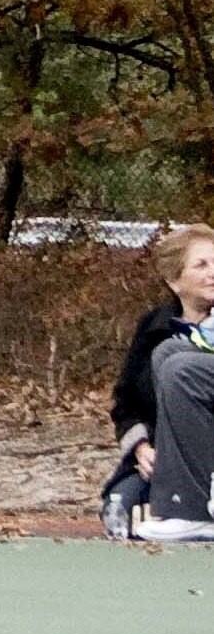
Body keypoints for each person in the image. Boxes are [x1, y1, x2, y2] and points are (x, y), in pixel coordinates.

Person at [120, 226, 214, 541]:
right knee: (122, 508)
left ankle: (191, 509)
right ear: (174, 281)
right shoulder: (155, 327)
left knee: (181, 367)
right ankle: (179, 502)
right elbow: (126, 403)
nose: (213, 272)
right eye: (201, 265)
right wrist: (142, 449)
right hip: (170, 459)